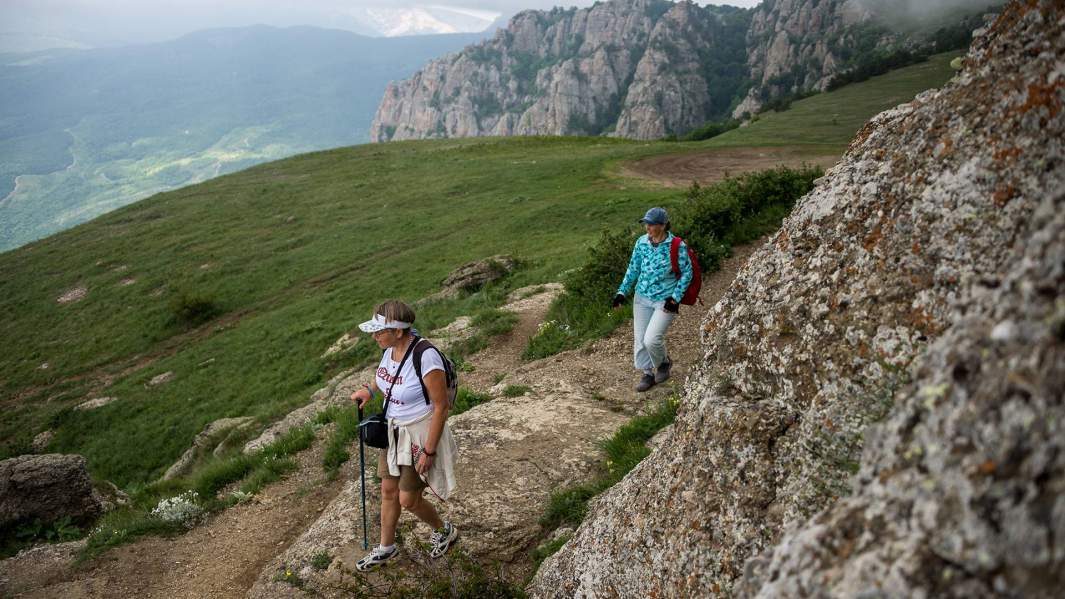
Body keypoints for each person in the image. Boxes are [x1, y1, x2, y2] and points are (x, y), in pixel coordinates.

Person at [350, 300, 459, 571]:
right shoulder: (390, 349)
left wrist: (429, 451)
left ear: (398, 331)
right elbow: (385, 376)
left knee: (407, 499)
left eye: (379, 331)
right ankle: (387, 548)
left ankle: (444, 530)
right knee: (388, 490)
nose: (375, 336)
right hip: (394, 430)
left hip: (420, 435)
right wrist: (370, 390)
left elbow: (441, 406)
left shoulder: (426, 357)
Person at [612, 207, 694, 392]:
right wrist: (621, 292)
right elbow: (633, 269)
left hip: (665, 300)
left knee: (652, 339)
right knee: (640, 340)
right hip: (641, 298)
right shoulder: (641, 243)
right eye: (646, 223)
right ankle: (647, 374)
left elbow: (687, 273)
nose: (647, 227)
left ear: (663, 225)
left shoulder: (676, 245)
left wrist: (675, 298)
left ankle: (664, 363)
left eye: (651, 224)